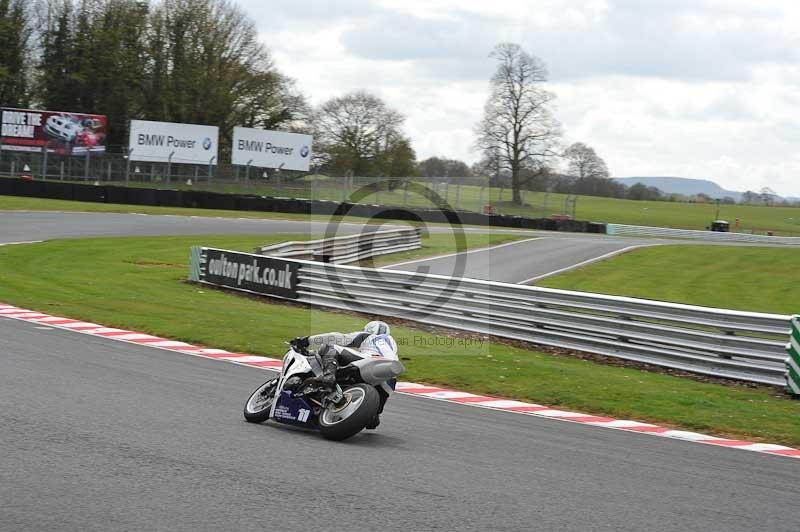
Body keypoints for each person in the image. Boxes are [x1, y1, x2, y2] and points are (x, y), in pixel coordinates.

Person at [292, 320, 398, 429]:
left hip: (373, 360)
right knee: (373, 419)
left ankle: (329, 376)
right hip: (391, 376)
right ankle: (374, 415)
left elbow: (337, 337)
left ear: (370, 330)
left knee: (330, 346)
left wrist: (307, 340)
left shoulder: (369, 336)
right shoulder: (392, 344)